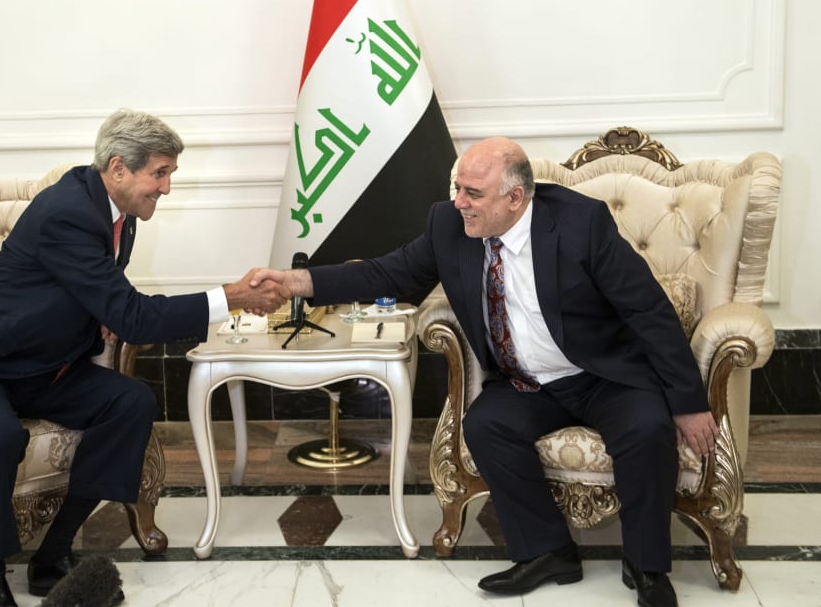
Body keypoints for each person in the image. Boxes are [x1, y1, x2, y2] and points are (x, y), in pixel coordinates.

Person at [251, 136, 718, 607]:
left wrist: (689, 402)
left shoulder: (581, 222)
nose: (459, 202)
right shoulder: (448, 225)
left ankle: (647, 566)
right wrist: (298, 283)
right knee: (486, 424)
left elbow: (649, 311)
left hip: (601, 373)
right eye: (459, 188)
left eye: (472, 193)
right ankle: (548, 551)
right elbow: (385, 274)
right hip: (528, 383)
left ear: (515, 198)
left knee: (646, 427)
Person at [0, 109, 290, 607]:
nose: (167, 188)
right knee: (0, 436)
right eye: (161, 173)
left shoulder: (118, 214)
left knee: (130, 403)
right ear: (118, 168)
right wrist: (231, 297)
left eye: (170, 173)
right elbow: (131, 315)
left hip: (44, 366)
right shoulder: (68, 211)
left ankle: (53, 554)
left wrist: (102, 312)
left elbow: (100, 296)